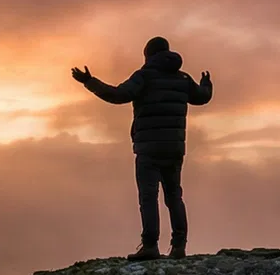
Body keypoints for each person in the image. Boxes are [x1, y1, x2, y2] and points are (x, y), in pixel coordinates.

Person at [71, 36, 212, 259]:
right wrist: (206, 84)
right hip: (175, 149)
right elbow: (202, 97)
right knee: (174, 196)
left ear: (148, 55)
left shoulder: (143, 76)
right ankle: (179, 246)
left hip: (148, 149)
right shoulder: (182, 78)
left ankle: (150, 246)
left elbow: (117, 95)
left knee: (148, 196)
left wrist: (89, 82)